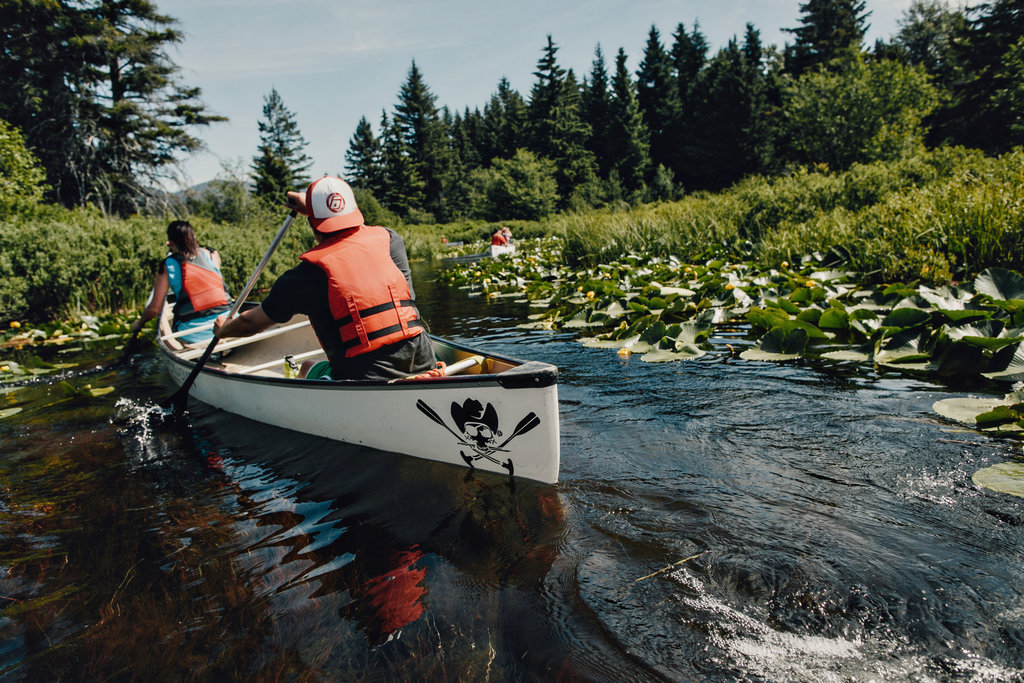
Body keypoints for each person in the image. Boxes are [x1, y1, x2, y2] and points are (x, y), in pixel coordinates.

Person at [214, 176, 436, 381]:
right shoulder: (390, 240)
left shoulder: (304, 276)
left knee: (305, 367)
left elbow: (250, 323)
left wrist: (224, 329)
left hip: (366, 377)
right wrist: (313, 209)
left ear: (312, 225)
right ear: (356, 212)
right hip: (425, 362)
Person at [131, 220, 232, 344]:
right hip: (229, 323)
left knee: (167, 324)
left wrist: (139, 324)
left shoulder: (168, 265)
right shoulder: (211, 254)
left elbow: (154, 309)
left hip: (193, 334)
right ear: (193, 237)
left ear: (171, 242)